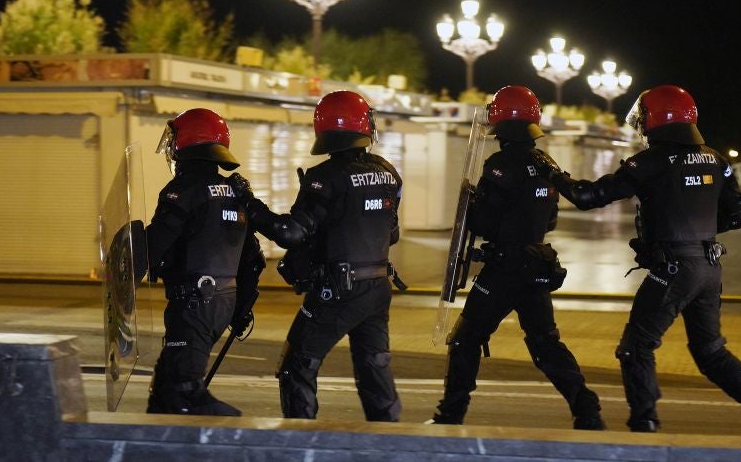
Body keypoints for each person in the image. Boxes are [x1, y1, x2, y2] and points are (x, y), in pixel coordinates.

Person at [532, 84, 741, 436]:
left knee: (635, 348)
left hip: (673, 269)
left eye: (643, 119)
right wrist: (695, 233)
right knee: (710, 352)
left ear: (656, 120)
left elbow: (588, 195)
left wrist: (551, 171)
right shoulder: (715, 158)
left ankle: (644, 424)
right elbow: (738, 217)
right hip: (708, 267)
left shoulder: (651, 162)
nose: (641, 127)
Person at [430, 85, 606, 430]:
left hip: (503, 269)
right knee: (545, 344)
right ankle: (586, 408)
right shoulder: (546, 162)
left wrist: (472, 201)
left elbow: (483, 222)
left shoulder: (499, 164)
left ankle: (450, 415)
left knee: (466, 340)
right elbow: (551, 218)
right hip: (536, 263)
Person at [231, 90, 403, 421]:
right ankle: (390, 441)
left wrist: (250, 204)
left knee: (297, 367)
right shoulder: (388, 173)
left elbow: (289, 233)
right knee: (374, 366)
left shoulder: (324, 177)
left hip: (336, 291)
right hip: (379, 286)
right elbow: (391, 233)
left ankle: (301, 442)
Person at [145, 108, 265, 416]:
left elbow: (154, 243)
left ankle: (232, 436)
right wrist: (241, 309)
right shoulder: (235, 193)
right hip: (222, 303)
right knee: (163, 390)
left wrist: (127, 260)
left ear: (190, 142)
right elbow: (253, 259)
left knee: (183, 390)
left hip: (193, 303)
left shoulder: (183, 190)